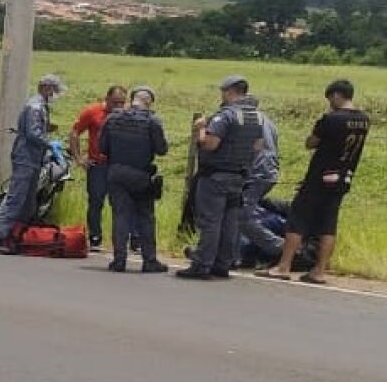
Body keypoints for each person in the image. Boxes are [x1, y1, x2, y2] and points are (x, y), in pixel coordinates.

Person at [256, 79, 369, 284]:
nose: (329, 103)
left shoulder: (331, 119)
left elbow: (311, 142)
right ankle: (319, 270)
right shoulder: (364, 120)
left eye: (330, 99)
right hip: (344, 177)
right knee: (328, 225)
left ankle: (284, 266)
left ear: (336, 95)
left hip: (320, 176)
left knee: (298, 220)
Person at [176, 75, 264, 280]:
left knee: (210, 222)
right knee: (229, 222)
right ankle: (223, 263)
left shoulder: (225, 116)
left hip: (215, 176)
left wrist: (200, 130)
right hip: (239, 175)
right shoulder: (256, 117)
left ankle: (202, 264)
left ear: (230, 91)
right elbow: (258, 147)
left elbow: (210, 144)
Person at [0, 74, 66, 253]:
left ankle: (16, 234)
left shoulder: (40, 107)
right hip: (26, 157)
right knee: (17, 197)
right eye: (55, 90)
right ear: (46, 88)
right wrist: (49, 143)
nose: (56, 94)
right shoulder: (35, 107)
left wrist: (48, 129)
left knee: (29, 200)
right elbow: (33, 133)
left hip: (34, 157)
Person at [99, 86, 169, 273]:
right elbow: (162, 150)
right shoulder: (152, 121)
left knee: (120, 216)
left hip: (116, 172)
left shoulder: (112, 118)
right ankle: (149, 260)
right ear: (149, 102)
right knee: (145, 217)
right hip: (140, 175)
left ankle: (119, 260)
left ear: (131, 99)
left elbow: (103, 147)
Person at [69, 85, 131, 251]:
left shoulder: (127, 114)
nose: (118, 106)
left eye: (122, 102)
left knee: (120, 203)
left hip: (119, 165)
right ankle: (95, 237)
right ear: (107, 98)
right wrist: (79, 158)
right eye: (115, 102)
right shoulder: (92, 111)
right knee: (96, 201)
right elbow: (75, 132)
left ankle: (122, 239)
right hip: (98, 165)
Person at [234, 95, 282, 266]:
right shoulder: (268, 121)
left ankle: (278, 247)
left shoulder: (250, 122)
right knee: (234, 211)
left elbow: (255, 147)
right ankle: (235, 254)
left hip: (256, 173)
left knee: (240, 215)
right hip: (268, 172)